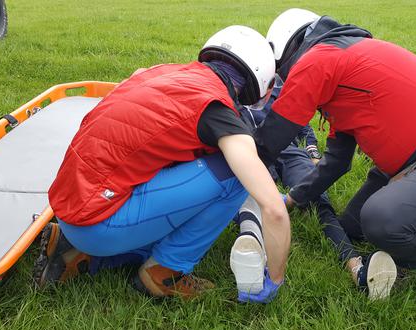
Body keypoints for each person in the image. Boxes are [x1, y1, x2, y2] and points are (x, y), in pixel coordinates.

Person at [33, 26, 290, 303]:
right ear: (258, 81)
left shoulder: (160, 72)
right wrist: (275, 279)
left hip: (69, 204)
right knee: (234, 176)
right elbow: (274, 210)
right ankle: (164, 272)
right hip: (97, 221)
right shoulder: (216, 110)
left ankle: (78, 253)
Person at [253, 9, 416, 293]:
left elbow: (272, 137)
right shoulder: (340, 66)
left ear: (289, 50)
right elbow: (337, 161)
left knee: (382, 220)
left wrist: (234, 176)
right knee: (353, 226)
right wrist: (293, 199)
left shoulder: (319, 59)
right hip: (412, 162)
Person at [230, 75, 397, 300]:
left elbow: (302, 126)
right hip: (252, 154)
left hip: (288, 152)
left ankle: (356, 267)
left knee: (316, 197)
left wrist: (313, 152)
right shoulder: (231, 97)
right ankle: (251, 245)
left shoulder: (278, 89)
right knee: (250, 193)